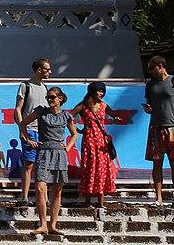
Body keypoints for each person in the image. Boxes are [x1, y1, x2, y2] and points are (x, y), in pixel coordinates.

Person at [20, 86, 76, 237]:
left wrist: (68, 147)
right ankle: (43, 224)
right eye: (48, 97)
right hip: (43, 152)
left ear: (61, 98)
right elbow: (23, 123)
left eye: (52, 97)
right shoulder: (41, 111)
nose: (49, 99)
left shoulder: (67, 116)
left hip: (59, 154)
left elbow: (74, 134)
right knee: (40, 189)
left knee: (57, 191)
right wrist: (28, 139)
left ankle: (53, 225)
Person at [72, 81, 116, 211]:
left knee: (102, 168)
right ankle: (87, 201)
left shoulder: (104, 105)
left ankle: (101, 202)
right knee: (89, 167)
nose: (101, 94)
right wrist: (77, 130)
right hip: (89, 140)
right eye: (99, 91)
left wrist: (116, 118)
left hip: (102, 141)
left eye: (103, 91)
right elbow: (68, 117)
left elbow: (114, 114)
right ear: (92, 91)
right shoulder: (83, 105)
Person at [15, 58, 51, 204]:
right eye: (47, 69)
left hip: (43, 130)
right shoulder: (25, 86)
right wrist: (21, 129)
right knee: (29, 163)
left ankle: (44, 197)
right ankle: (24, 196)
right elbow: (18, 108)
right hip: (29, 128)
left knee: (43, 165)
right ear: (39, 70)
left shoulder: (45, 87)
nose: (50, 72)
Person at [145, 55, 174, 203]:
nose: (149, 71)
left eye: (152, 68)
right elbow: (149, 103)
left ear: (161, 66)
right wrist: (148, 108)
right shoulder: (150, 85)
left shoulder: (172, 81)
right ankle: (159, 197)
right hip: (156, 126)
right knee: (157, 163)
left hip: (172, 127)